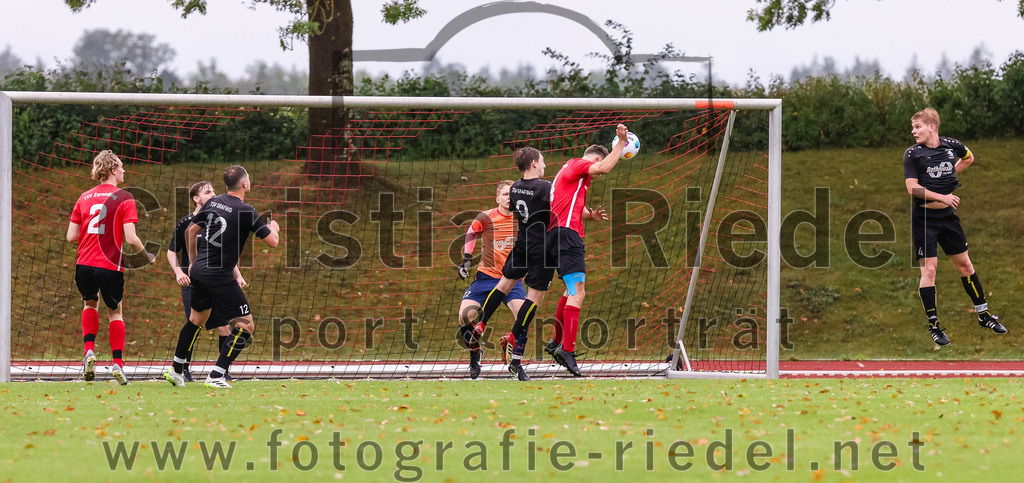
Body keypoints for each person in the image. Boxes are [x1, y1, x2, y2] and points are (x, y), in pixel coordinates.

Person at [469, 147, 607, 379]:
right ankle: (514, 344)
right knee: (533, 299)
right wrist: (587, 215)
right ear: (533, 163)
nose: (545, 165)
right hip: (542, 247)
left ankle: (481, 323)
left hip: (522, 243)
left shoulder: (514, 187)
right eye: (542, 162)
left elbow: (516, 209)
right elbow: (561, 205)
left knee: (503, 285)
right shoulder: (546, 187)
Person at [164, 165, 280, 388]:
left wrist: (194, 261)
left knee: (196, 320)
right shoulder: (246, 210)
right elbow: (272, 242)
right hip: (219, 273)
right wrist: (273, 227)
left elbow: (190, 231)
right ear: (245, 184)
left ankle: (176, 370)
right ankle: (217, 374)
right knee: (246, 326)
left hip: (200, 270)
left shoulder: (212, 203)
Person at [903, 108, 1005, 346]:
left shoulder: (952, 145)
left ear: (931, 127)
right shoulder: (912, 154)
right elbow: (912, 188)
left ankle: (983, 315)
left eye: (917, 126)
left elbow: (969, 157)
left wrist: (950, 172)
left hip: (948, 218)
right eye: (913, 127)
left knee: (966, 265)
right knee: (930, 270)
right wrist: (943, 195)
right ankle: (934, 325)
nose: (913, 131)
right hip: (924, 219)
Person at [545, 124, 629, 376]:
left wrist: (588, 216)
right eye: (595, 166)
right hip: (567, 235)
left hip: (559, 234)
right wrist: (621, 144)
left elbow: (566, 202)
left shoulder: (570, 172)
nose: (596, 172)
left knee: (571, 290)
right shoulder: (579, 165)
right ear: (592, 158)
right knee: (578, 293)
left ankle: (556, 342)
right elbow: (603, 167)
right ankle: (566, 350)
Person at [66, 150, 156, 385]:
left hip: (84, 264)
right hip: (109, 265)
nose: (124, 171)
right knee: (115, 313)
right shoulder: (125, 197)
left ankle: (88, 351)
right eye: (122, 167)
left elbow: (71, 237)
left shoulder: (83, 197)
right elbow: (131, 238)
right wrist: (147, 255)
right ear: (114, 170)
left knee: (89, 303)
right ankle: (117, 363)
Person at [167, 180, 247, 382]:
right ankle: (182, 369)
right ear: (196, 198)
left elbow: (221, 254)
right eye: (207, 192)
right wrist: (179, 272)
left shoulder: (217, 221)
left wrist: (238, 275)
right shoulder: (186, 223)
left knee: (224, 326)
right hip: (193, 280)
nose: (213, 194)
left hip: (217, 279)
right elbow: (171, 251)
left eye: (213, 191)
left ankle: (222, 371)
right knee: (194, 323)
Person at [455, 180, 529, 380]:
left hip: (512, 279)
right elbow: (471, 233)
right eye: (504, 194)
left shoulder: (523, 219)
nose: (508, 197)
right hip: (486, 276)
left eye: (511, 194)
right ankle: (475, 351)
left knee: (524, 315)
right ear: (497, 198)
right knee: (464, 316)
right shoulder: (486, 217)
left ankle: (516, 363)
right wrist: (467, 259)